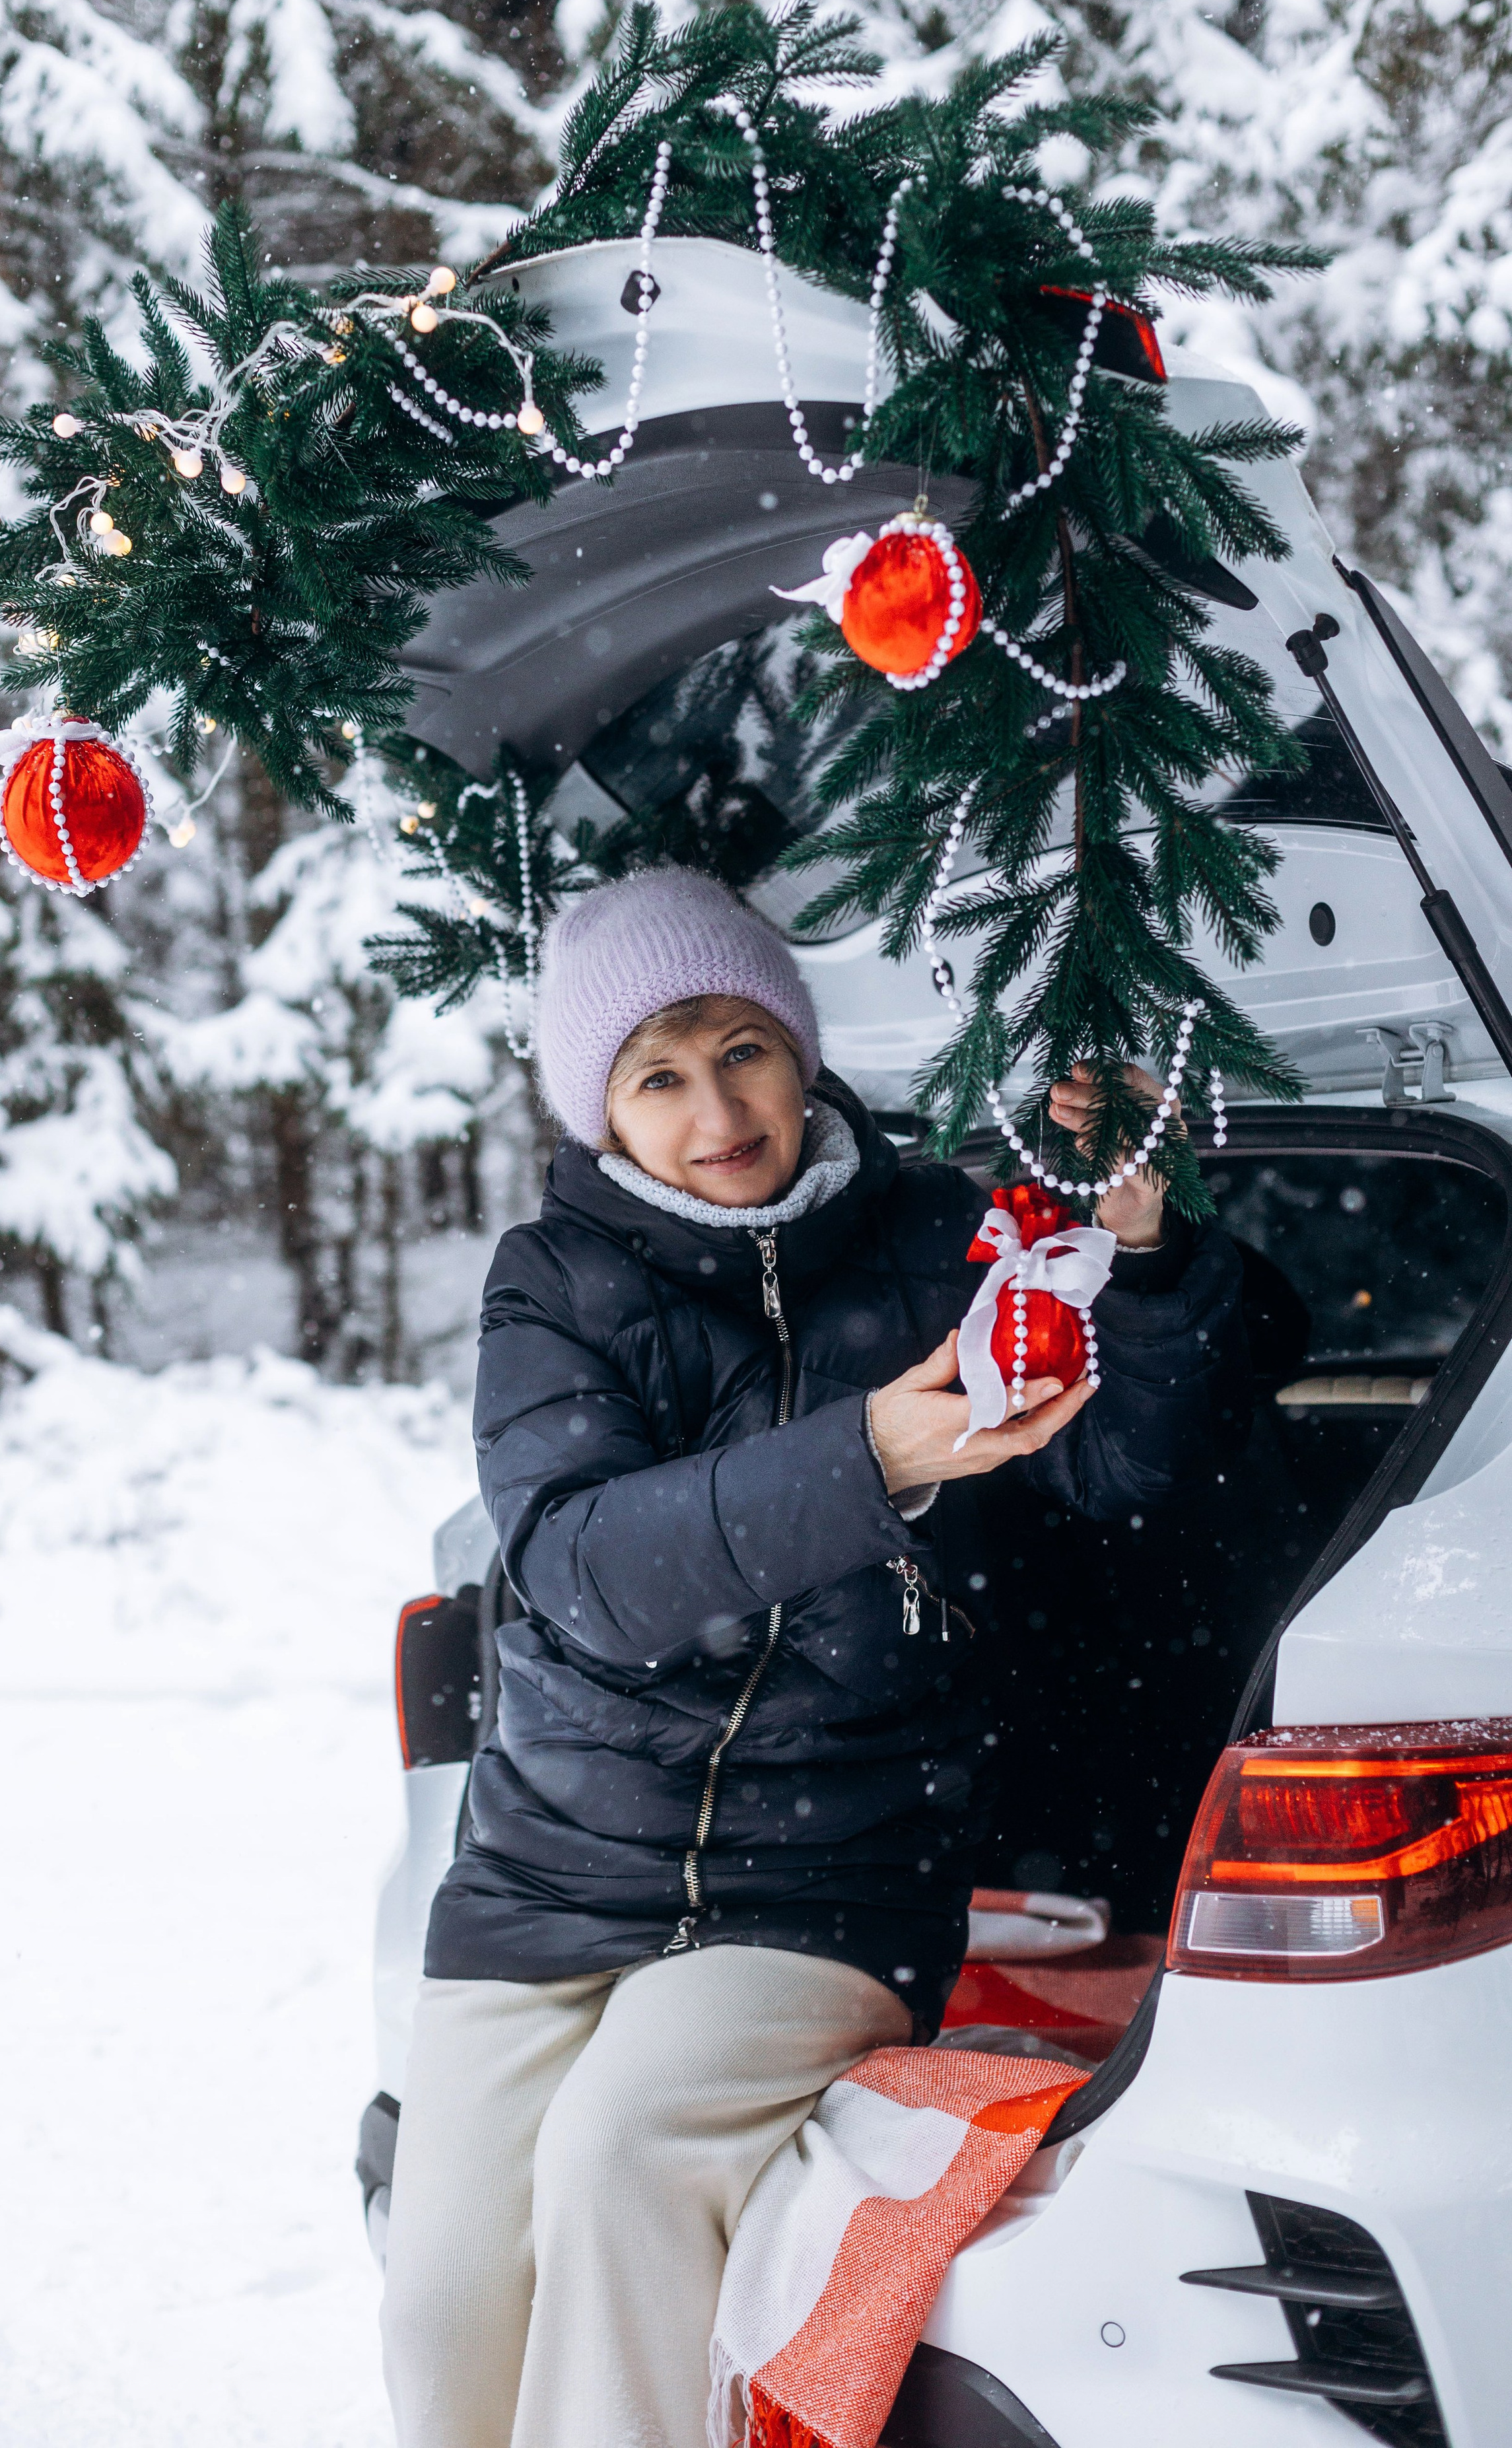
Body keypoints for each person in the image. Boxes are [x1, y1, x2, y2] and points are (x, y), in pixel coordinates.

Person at [381, 865, 1245, 2448]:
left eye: (742, 1051)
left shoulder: (932, 1241)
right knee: (442, 2303)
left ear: (798, 1051)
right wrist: (868, 1457)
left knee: (621, 2163)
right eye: (657, 1076)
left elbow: (1120, 1466)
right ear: (600, 1113)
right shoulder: (553, 1280)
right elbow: (581, 1569)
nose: (716, 1111)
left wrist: (1146, 1254)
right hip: (548, 1876)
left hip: (823, 1878)